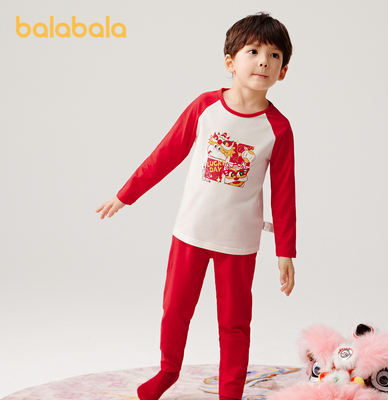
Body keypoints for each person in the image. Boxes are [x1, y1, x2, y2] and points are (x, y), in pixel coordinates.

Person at [96, 12, 296, 400]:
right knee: (175, 310)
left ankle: (230, 391)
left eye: (274, 56)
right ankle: (168, 371)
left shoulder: (278, 128)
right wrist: (125, 195)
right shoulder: (206, 107)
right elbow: (166, 154)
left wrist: (285, 251)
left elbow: (284, 192)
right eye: (253, 52)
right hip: (191, 231)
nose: (263, 62)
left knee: (235, 323)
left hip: (239, 242)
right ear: (230, 62)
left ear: (283, 71)